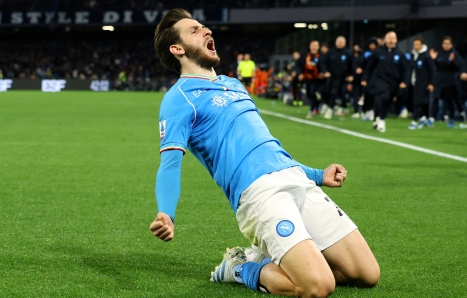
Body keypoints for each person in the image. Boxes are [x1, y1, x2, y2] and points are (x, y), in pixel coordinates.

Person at [150, 9, 380, 297]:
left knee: (366, 274)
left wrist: (318, 175)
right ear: (177, 49)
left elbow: (266, 148)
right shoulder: (178, 99)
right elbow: (170, 164)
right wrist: (166, 213)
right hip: (259, 194)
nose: (207, 31)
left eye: (204, 27)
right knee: (318, 286)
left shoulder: (233, 84)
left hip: (296, 180)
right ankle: (239, 267)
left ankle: (275, 258)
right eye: (194, 30)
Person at [361, 31, 409, 132]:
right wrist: (365, 78)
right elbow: (369, 66)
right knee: (381, 98)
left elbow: (405, 70)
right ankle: (381, 120)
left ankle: (378, 118)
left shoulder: (400, 54)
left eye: (393, 38)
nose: (391, 40)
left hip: (393, 83)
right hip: (379, 80)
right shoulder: (378, 52)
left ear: (396, 40)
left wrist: (404, 81)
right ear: (385, 40)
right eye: (389, 38)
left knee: (386, 101)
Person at [429, 36, 464, 127]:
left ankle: (451, 119)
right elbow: (437, 66)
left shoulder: (454, 54)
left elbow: (459, 67)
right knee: (435, 99)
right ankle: (431, 119)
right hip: (439, 80)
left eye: (448, 44)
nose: (446, 45)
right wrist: (434, 59)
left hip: (450, 81)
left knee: (449, 101)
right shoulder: (439, 53)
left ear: (451, 45)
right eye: (445, 43)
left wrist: (452, 61)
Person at [320, 36, 354, 120]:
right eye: (339, 42)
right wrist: (325, 71)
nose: (340, 44)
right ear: (336, 43)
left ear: (345, 43)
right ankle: (330, 108)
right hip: (332, 77)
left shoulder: (348, 53)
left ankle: (340, 108)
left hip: (343, 78)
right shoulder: (330, 52)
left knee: (342, 93)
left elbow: (351, 65)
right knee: (332, 92)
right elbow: (323, 62)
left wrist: (351, 75)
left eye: (342, 42)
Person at [406, 37, 435, 130]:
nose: (415, 46)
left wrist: (431, 83)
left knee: (418, 102)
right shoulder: (412, 55)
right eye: (414, 44)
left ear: (422, 45)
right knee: (412, 101)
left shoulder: (426, 57)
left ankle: (414, 121)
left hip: (423, 83)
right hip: (413, 83)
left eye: (418, 44)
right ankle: (424, 118)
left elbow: (432, 71)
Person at [297, 40, 324, 119]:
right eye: (313, 45)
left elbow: (324, 66)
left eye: (316, 46)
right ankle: (316, 107)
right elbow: (299, 65)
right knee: (309, 94)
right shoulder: (305, 55)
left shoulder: (321, 56)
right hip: (307, 79)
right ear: (310, 46)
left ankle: (311, 111)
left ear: (318, 47)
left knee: (313, 93)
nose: (314, 47)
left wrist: (322, 73)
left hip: (317, 80)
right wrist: (300, 74)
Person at [359, 37, 379, 121]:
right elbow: (365, 66)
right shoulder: (366, 53)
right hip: (368, 78)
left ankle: (372, 111)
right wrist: (364, 78)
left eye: (374, 44)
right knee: (367, 95)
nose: (372, 46)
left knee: (374, 96)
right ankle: (365, 111)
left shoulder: (379, 53)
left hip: (377, 78)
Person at [350, 44, 365, 119]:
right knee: (355, 96)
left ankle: (363, 111)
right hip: (354, 79)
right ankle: (356, 111)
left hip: (362, 79)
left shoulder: (363, 55)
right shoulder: (351, 56)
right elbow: (350, 67)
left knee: (363, 96)